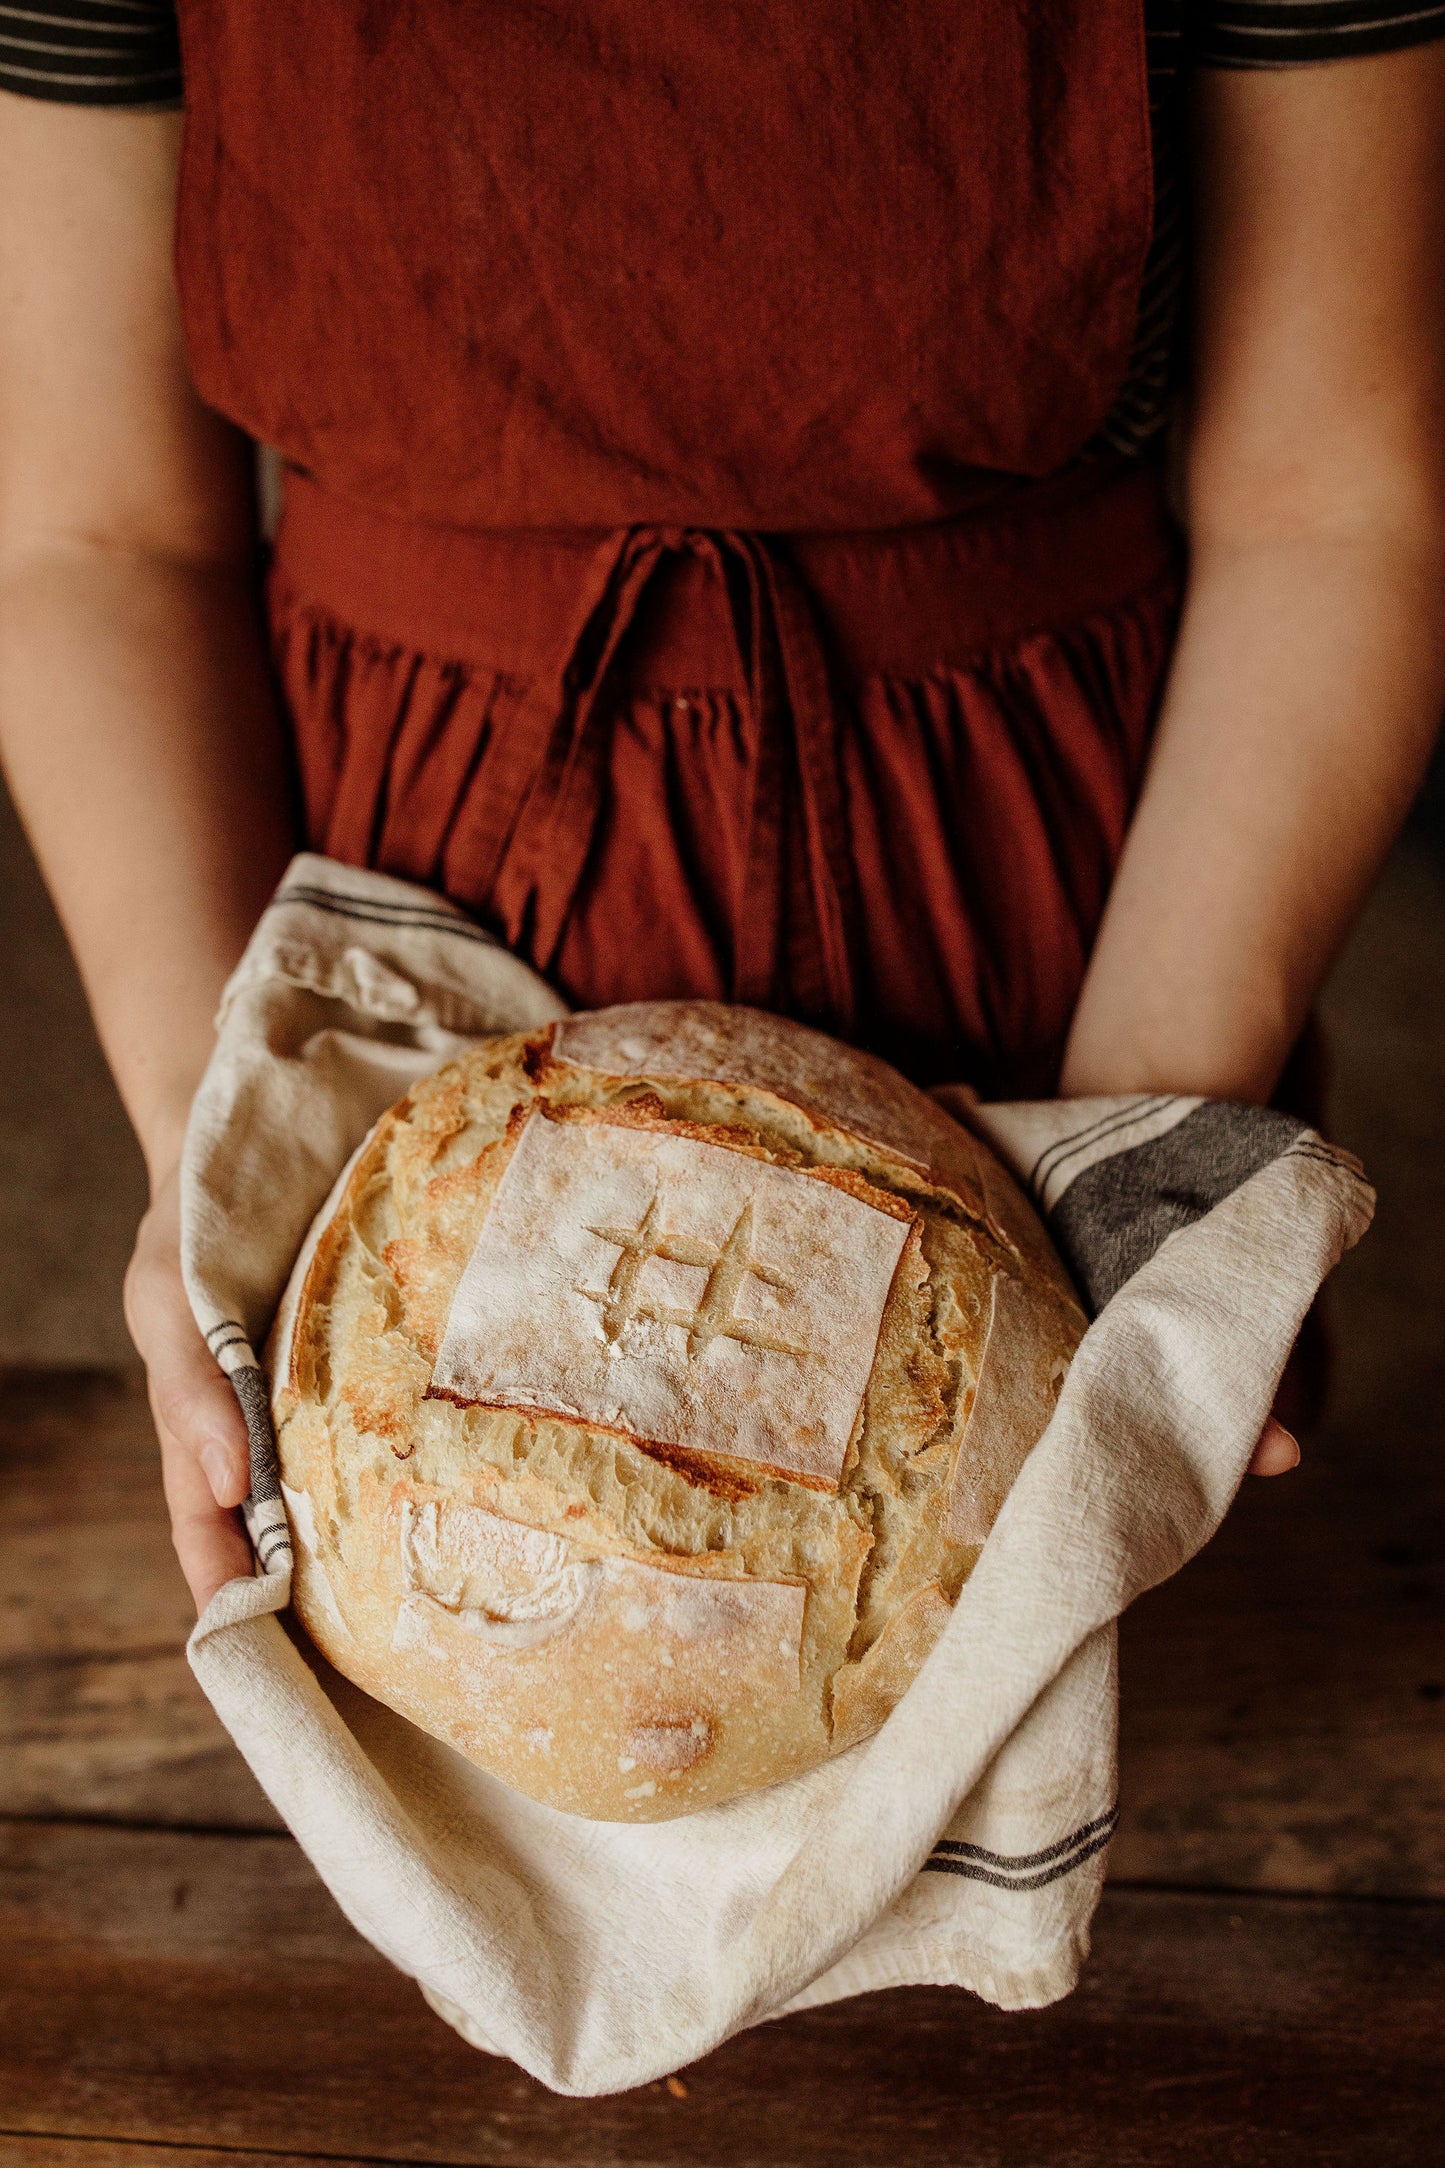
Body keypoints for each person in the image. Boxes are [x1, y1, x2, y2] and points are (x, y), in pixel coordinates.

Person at [2, 4, 1442, 1613]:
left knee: (1041, 1615)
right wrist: (223, 1145)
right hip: (399, 864)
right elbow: (99, 532)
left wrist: (1124, 1149)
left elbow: (1330, 499)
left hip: (1051, 883)